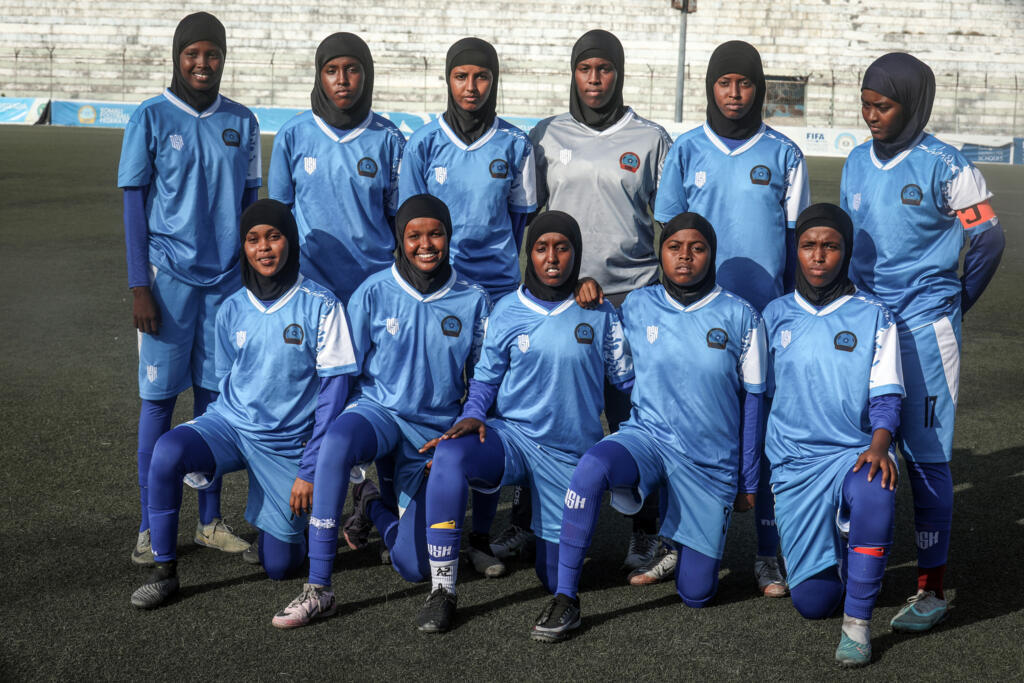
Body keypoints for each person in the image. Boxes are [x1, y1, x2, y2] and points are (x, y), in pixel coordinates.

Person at [535, 213, 767, 642]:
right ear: (660, 252)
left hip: (708, 461)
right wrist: (580, 287)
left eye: (697, 248)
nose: (684, 256)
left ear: (711, 254)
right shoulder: (638, 305)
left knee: (697, 594)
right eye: (674, 246)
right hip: (648, 439)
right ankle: (566, 597)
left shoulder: (741, 316)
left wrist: (747, 479)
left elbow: (753, 402)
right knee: (590, 468)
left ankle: (678, 545)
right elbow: (607, 351)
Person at [271, 195, 492, 629]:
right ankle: (320, 588)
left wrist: (473, 415)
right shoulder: (373, 291)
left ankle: (372, 506)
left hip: (433, 432)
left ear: (449, 236)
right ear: (400, 238)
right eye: (414, 235)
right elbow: (344, 375)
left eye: (435, 234)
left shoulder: (473, 299)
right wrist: (317, 453)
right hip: (379, 413)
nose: (425, 244)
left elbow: (484, 376)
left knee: (413, 567)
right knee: (338, 442)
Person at [841, 52, 1005, 632]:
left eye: (882, 106)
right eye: (864, 103)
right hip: (863, 329)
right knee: (857, 444)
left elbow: (988, 239)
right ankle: (856, 563)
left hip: (926, 331)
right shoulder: (856, 162)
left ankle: (932, 590)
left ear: (911, 106)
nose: (870, 116)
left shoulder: (946, 165)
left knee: (928, 456)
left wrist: (951, 302)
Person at [413, 211, 634, 634]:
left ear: (577, 253)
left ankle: (536, 529)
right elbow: (485, 379)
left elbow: (626, 379)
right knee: (452, 454)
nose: (552, 258)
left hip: (568, 452)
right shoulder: (507, 310)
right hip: (513, 438)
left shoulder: (600, 312)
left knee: (553, 578)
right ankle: (442, 591)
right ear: (528, 254)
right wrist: (473, 413)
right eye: (541, 247)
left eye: (563, 247)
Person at [130, 199, 358, 609]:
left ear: (290, 241)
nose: (264, 248)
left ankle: (295, 525)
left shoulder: (322, 305)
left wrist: (310, 467)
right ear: (244, 248)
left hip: (288, 444)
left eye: (274, 237)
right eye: (253, 239)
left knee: (278, 566)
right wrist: (208, 433)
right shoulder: (232, 307)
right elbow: (226, 384)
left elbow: (335, 392)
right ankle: (164, 570)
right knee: (168, 451)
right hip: (232, 427)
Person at [512, 29, 674, 572]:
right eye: (586, 69)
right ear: (574, 73)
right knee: (547, 412)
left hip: (632, 297)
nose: (595, 79)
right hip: (562, 301)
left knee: (633, 416)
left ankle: (646, 530)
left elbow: (670, 225)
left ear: (619, 73)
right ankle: (527, 519)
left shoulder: (650, 138)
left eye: (605, 69)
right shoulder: (545, 135)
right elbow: (529, 218)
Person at [653, 40, 810, 596]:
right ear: (710, 87)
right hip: (696, 318)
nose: (735, 93)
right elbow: (668, 236)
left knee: (767, 435)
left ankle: (768, 553)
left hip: (765, 320)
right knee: (681, 427)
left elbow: (796, 246)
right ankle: (675, 541)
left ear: (759, 88)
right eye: (725, 83)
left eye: (745, 83)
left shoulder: (785, 153)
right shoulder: (687, 149)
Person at [117, 11, 260, 567]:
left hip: (226, 286)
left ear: (223, 58)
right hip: (166, 282)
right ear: (177, 58)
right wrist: (138, 286)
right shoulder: (150, 117)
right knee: (158, 404)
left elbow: (251, 206)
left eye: (213, 54)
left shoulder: (243, 122)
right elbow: (133, 203)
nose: (203, 63)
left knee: (213, 406)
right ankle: (153, 527)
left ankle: (209, 521)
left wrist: (251, 280)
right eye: (192, 54)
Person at [762, 203, 904, 667]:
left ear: (844, 252)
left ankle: (858, 625)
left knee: (876, 487)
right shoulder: (775, 314)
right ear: (796, 250)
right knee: (812, 603)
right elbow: (757, 397)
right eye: (808, 245)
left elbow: (886, 397)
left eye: (830, 246)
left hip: (853, 452)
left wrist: (879, 446)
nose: (818, 256)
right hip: (794, 464)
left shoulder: (874, 315)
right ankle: (847, 549)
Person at [269, 32, 405, 304]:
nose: (342, 80)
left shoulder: (389, 139)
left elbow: (399, 219)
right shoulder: (293, 135)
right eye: (331, 70)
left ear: (367, 74)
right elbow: (279, 216)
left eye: (352, 69)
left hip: (374, 282)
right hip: (308, 282)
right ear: (320, 76)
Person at [398, 37, 537, 300]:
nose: (470, 87)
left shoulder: (516, 144)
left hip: (499, 284)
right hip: (442, 283)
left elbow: (519, 220)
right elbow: (409, 221)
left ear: (494, 80)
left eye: (481, 77)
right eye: (461, 76)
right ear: (448, 80)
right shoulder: (423, 143)